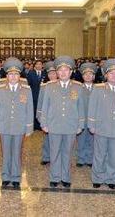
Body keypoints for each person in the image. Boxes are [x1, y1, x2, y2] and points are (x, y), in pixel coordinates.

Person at [39, 56, 85, 188]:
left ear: (71, 72)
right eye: (60, 70)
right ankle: (54, 176)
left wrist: (80, 125)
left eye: (66, 70)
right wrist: (44, 123)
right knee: (54, 152)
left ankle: (65, 177)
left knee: (67, 152)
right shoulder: (49, 86)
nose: (63, 72)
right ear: (57, 72)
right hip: (54, 125)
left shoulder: (77, 87)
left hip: (71, 126)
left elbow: (81, 107)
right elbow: (45, 107)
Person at [88, 59, 115, 190]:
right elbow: (92, 108)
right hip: (101, 127)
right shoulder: (98, 88)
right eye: (111, 73)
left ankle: (111, 178)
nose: (114, 76)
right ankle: (97, 178)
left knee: (113, 156)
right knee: (99, 155)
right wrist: (91, 125)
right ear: (106, 75)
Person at [0, 57, 34, 189]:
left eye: (16, 74)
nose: (13, 77)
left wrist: (29, 128)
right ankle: (5, 176)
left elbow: (29, 109)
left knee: (17, 152)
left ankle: (16, 177)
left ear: (19, 75)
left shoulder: (26, 89)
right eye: (10, 74)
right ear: (7, 75)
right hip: (4, 126)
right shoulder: (0, 89)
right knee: (6, 153)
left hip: (19, 127)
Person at [76, 62, 97, 167]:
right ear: (82, 76)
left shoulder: (98, 89)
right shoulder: (78, 88)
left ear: (93, 76)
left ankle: (89, 159)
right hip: (81, 118)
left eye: (90, 74)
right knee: (81, 139)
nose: (88, 76)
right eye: (85, 74)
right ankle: (80, 158)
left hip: (94, 119)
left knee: (91, 139)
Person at [37, 61, 57, 166]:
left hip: (57, 118)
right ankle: (46, 156)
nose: (52, 75)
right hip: (47, 117)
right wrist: (40, 117)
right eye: (50, 74)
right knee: (46, 139)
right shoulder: (44, 86)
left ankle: (56, 158)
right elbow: (40, 103)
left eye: (54, 73)